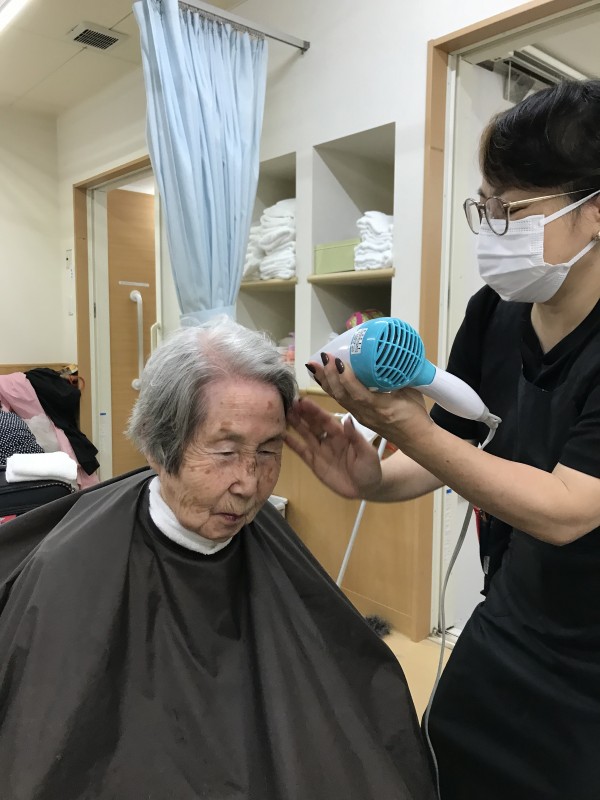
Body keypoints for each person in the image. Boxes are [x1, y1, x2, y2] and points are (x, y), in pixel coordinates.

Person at [287, 79, 600, 800]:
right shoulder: (495, 311)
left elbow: (566, 509)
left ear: (595, 210)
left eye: (513, 210)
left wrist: (402, 424)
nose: (493, 229)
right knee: (441, 751)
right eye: (486, 206)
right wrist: (375, 480)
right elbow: (455, 442)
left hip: (591, 657)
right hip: (513, 612)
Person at [0, 318, 435, 800]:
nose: (249, 484)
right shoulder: (73, 569)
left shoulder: (268, 540)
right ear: (157, 445)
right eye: (225, 451)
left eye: (268, 451)